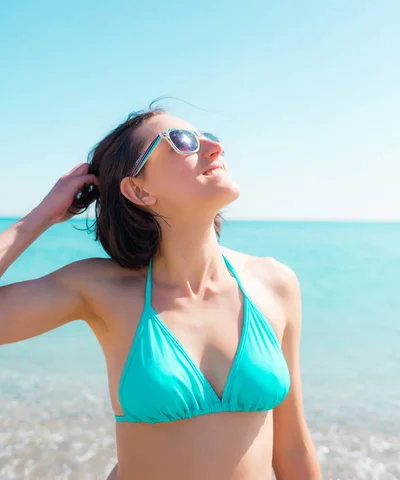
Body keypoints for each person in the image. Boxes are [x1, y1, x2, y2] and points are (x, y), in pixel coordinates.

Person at [0, 106, 321, 480]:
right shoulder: (101, 290)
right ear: (139, 189)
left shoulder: (275, 283)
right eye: (182, 142)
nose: (213, 148)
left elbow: (292, 446)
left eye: (208, 137)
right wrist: (40, 217)